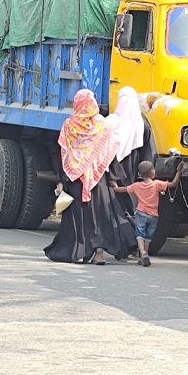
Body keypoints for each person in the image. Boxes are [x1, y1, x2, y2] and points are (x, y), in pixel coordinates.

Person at [43, 88, 139, 265]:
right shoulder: (102, 125)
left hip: (75, 180)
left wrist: (61, 181)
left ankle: (78, 251)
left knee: (78, 216)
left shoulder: (69, 125)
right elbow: (110, 153)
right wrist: (114, 178)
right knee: (99, 216)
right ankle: (99, 253)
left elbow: (64, 154)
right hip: (98, 180)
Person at [116, 158, 181, 267]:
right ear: (153, 173)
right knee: (148, 237)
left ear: (139, 174)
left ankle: (143, 253)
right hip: (154, 216)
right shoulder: (157, 184)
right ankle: (144, 257)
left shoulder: (136, 186)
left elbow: (123, 190)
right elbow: (173, 184)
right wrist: (179, 171)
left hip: (141, 213)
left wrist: (115, 187)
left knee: (140, 235)